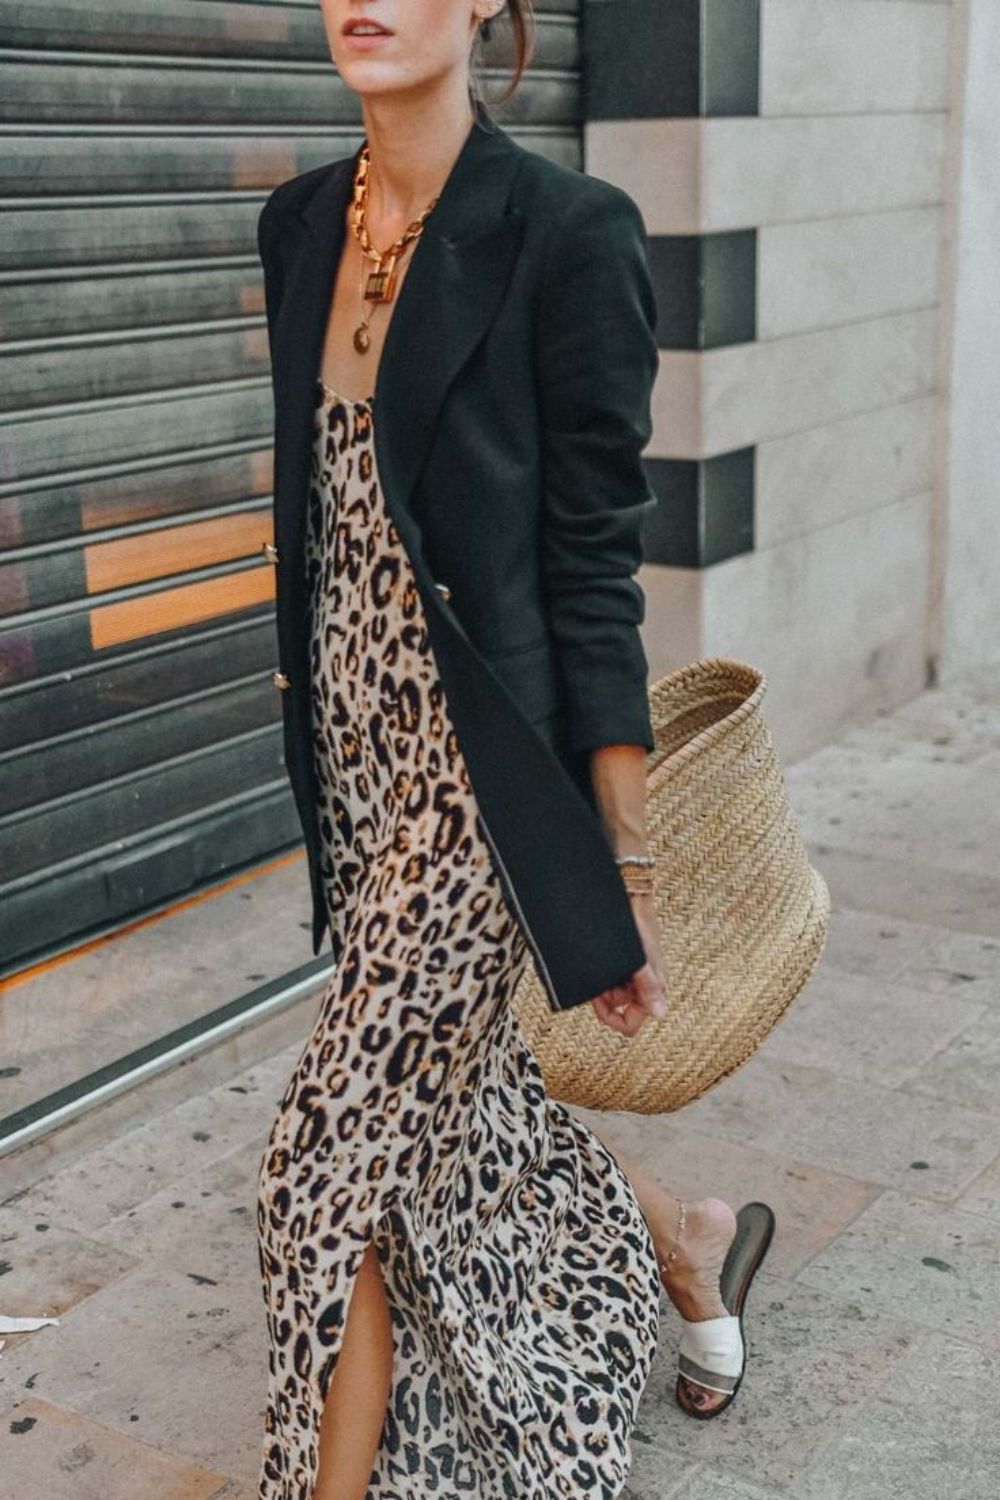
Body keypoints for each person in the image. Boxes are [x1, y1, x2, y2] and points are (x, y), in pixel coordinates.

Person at [254, 5, 758, 1497]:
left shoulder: (567, 230)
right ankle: (682, 1237)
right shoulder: (296, 225)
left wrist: (623, 851)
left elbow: (595, 564)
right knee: (447, 1110)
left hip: (488, 779)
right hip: (350, 754)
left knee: (319, 1172)